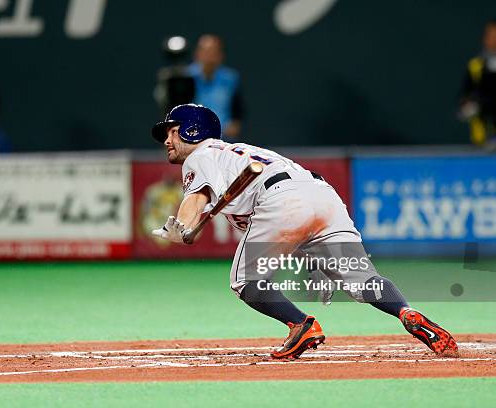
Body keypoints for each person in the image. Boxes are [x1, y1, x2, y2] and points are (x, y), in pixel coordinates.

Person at [150, 104, 458, 359]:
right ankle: (405, 311)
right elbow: (296, 222)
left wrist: (184, 226)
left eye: (172, 131)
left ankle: (300, 324)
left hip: (282, 198)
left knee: (245, 281)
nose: (166, 140)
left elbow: (197, 197)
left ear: (193, 130)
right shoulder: (235, 152)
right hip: (320, 194)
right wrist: (315, 261)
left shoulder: (201, 154)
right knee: (362, 280)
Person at [188, 35, 244, 141]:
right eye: (206, 52)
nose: (209, 57)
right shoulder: (185, 77)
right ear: (197, 54)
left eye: (213, 52)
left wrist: (234, 125)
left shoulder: (231, 78)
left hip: (224, 138)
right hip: (192, 137)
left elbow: (238, 108)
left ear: (220, 55)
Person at [459, 19, 496, 147]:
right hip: (482, 140)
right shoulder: (475, 66)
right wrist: (467, 106)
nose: (493, 40)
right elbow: (464, 97)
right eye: (490, 36)